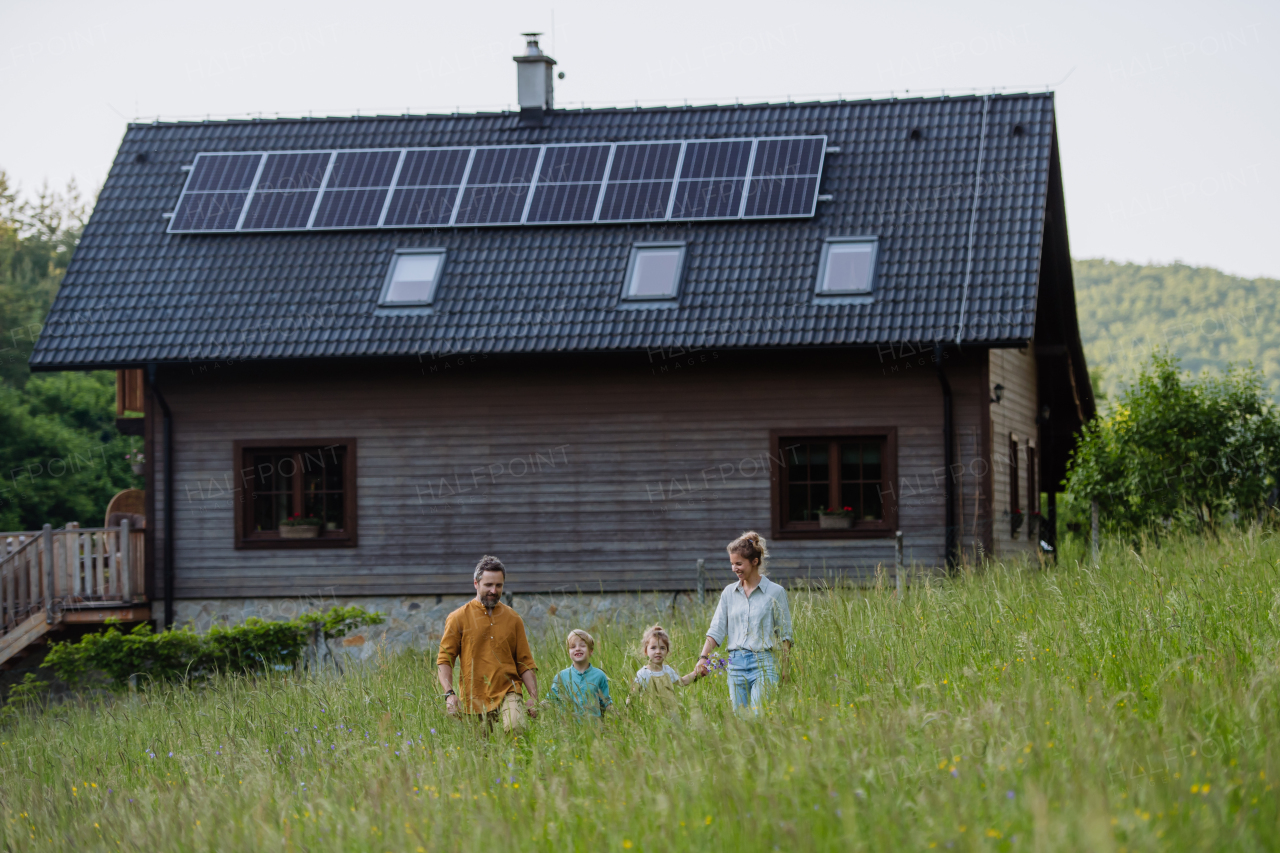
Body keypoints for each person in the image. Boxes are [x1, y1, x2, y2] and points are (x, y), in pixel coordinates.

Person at [436, 555, 538, 733]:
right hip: (474, 697)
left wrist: (534, 698)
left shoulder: (513, 619)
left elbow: (525, 662)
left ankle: (519, 761)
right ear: (476, 583)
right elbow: (445, 659)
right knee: (480, 756)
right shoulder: (458, 618)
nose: (493, 590)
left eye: (498, 585)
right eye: (488, 585)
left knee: (516, 729)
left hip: (509, 690)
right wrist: (449, 694)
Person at [694, 531, 793, 712]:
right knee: (741, 720)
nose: (734, 568)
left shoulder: (775, 592)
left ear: (754, 562)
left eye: (739, 563)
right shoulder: (728, 593)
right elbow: (716, 629)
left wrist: (785, 668)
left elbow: (785, 633)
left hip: (764, 663)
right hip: (736, 665)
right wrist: (703, 657)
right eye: (732, 564)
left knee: (759, 715)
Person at [629, 624, 700, 715]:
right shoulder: (643, 673)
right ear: (646, 651)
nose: (658, 651)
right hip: (652, 717)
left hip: (672, 715)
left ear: (667, 652)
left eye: (662, 648)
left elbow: (682, 681)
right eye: (653, 648)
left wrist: (697, 673)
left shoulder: (668, 671)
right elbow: (633, 694)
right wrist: (627, 711)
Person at [547, 629, 613, 718]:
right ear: (568, 652)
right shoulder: (561, 676)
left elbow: (606, 702)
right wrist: (535, 709)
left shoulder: (599, 675)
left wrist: (619, 716)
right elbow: (551, 700)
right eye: (573, 647)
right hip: (570, 728)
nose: (577, 649)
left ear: (591, 651)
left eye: (582, 646)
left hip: (594, 728)